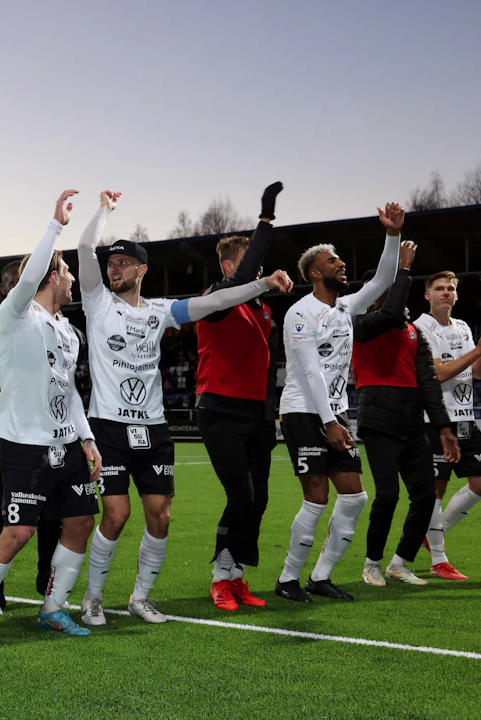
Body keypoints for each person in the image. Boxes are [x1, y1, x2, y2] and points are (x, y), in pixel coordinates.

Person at [75, 190, 293, 626]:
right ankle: (93, 598)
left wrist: (262, 284)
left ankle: (141, 598)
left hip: (153, 430)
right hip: (109, 427)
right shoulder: (97, 302)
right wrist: (104, 210)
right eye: (110, 264)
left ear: (142, 270)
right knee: (117, 515)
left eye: (122, 263)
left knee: (162, 516)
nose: (112, 269)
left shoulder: (161, 311)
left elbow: (216, 302)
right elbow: (84, 248)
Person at [0, 190, 103, 650]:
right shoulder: (14, 317)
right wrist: (54, 228)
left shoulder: (68, 332)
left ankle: (52, 609)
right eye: (67, 271)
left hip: (65, 443)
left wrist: (88, 438)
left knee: (79, 523)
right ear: (49, 277)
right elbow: (26, 279)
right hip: (22, 442)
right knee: (19, 531)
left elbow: (69, 390)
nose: (72, 279)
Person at [275, 203, 403, 603]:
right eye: (333, 261)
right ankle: (288, 580)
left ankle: (321, 576)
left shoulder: (346, 306)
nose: (342, 264)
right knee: (316, 496)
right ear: (315, 273)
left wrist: (393, 235)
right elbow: (311, 372)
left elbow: (383, 278)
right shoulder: (300, 313)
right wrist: (330, 422)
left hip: (334, 413)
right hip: (302, 411)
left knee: (355, 496)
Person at [196, 183, 284, 611]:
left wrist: (271, 411)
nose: (260, 272)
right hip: (220, 410)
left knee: (260, 499)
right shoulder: (214, 300)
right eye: (251, 266)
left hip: (258, 414)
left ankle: (237, 577)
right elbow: (245, 278)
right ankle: (219, 578)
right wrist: (265, 219)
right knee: (242, 496)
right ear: (233, 267)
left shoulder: (262, 310)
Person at [353, 251, 461, 586]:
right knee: (388, 495)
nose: (389, 293)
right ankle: (371, 564)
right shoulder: (360, 322)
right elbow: (388, 312)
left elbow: (428, 382)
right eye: (381, 288)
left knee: (426, 497)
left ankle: (399, 562)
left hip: (413, 423)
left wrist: (444, 427)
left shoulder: (414, 333)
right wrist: (402, 269)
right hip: (378, 419)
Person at [0, 261, 65, 614]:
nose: (17, 289)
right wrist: (4, 304)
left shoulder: (41, 319)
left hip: (41, 433)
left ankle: (46, 581)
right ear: (4, 286)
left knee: (50, 514)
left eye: (23, 283)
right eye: (11, 284)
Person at [415, 271, 481, 580]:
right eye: (439, 288)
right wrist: (480, 347)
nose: (446, 293)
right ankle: (439, 559)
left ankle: (434, 532)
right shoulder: (421, 328)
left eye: (451, 288)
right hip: (436, 420)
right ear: (428, 295)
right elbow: (438, 373)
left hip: (466, 418)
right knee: (436, 490)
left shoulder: (462, 327)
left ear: (456, 295)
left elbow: (478, 373)